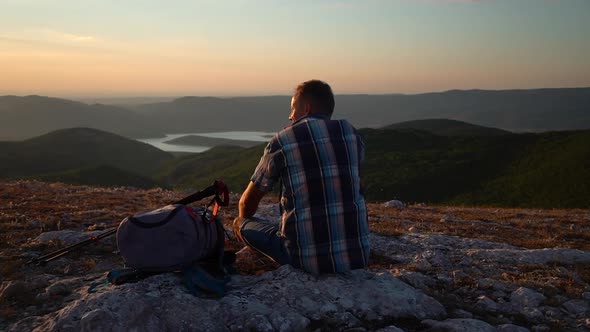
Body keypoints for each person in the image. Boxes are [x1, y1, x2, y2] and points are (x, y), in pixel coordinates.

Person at [232, 79, 370, 275]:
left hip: (303, 261)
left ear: (306, 108)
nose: (290, 116)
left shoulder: (284, 140)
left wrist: (243, 223)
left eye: (293, 108)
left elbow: (248, 201)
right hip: (357, 258)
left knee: (241, 224)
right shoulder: (352, 135)